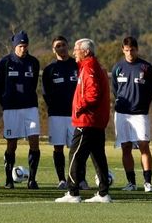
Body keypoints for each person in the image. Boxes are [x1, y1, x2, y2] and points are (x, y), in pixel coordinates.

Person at [56, 38, 112, 203]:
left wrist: (80, 106)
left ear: (86, 51)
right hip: (95, 121)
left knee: (75, 155)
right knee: (98, 156)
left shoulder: (89, 68)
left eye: (76, 49)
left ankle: (73, 193)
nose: (74, 52)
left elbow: (93, 94)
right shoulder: (90, 67)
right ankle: (103, 193)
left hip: (87, 121)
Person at [0, 30, 41, 189]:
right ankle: (9, 179)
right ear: (15, 46)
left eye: (25, 46)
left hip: (30, 107)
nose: (23, 49)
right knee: (12, 144)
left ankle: (32, 179)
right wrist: (5, 102)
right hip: (11, 108)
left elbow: (34, 83)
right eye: (20, 46)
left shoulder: (34, 62)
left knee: (34, 141)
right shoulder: (4, 62)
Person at [111, 36, 152, 192]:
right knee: (126, 147)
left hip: (140, 113)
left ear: (137, 49)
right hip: (122, 113)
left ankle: (147, 182)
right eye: (127, 50)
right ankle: (131, 182)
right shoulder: (118, 67)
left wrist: (142, 103)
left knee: (144, 145)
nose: (130, 53)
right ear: (123, 50)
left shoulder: (146, 67)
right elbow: (115, 89)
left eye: (132, 50)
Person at [42, 36, 79, 190]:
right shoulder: (50, 69)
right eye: (58, 46)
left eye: (63, 45)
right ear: (53, 49)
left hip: (75, 115)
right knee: (58, 147)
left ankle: (77, 179)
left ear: (68, 46)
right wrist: (54, 106)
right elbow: (45, 93)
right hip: (57, 114)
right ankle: (61, 179)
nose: (61, 48)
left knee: (76, 148)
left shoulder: (77, 65)